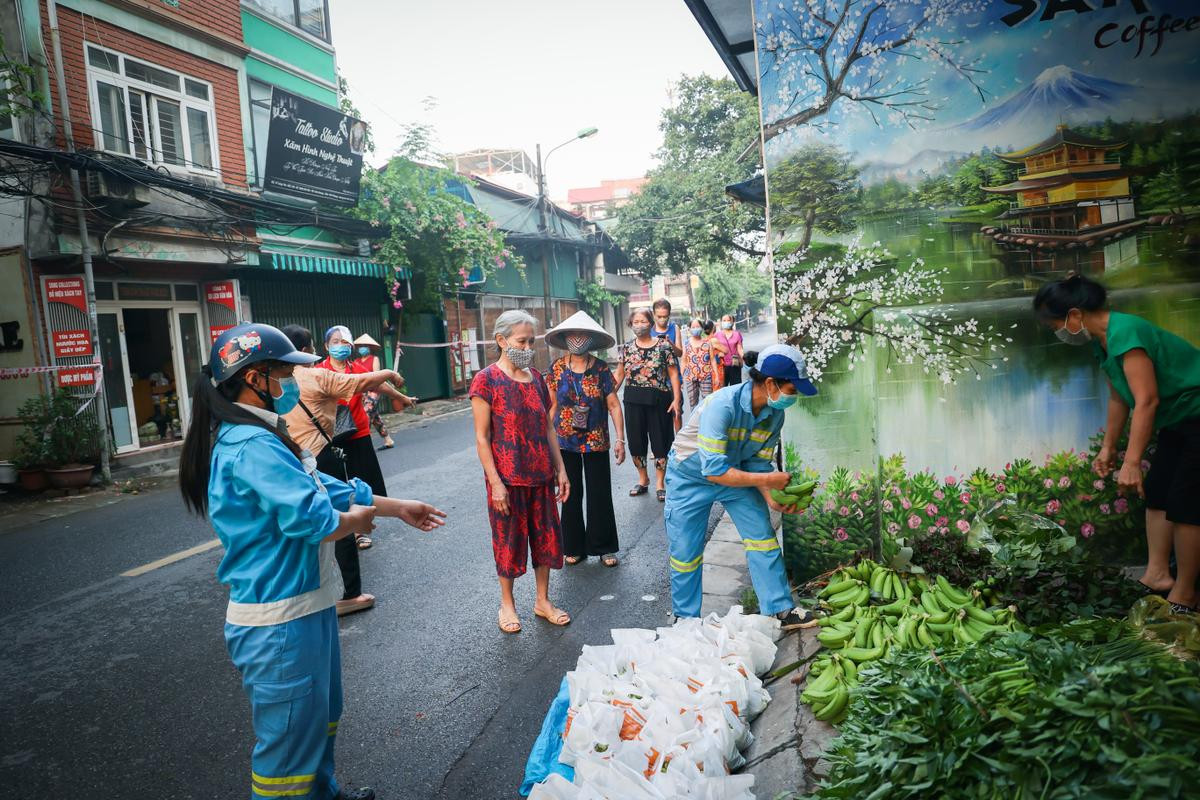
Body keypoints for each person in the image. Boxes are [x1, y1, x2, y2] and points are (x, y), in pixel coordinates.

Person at [178, 323, 445, 800]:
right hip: (278, 619)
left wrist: (397, 506)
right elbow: (316, 517)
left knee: (318, 723)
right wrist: (356, 520)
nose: (289, 385)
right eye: (283, 375)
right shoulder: (250, 445)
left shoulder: (266, 434)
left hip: (307, 606)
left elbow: (330, 489)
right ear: (254, 377)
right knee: (286, 755)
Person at [1033, 275, 1200, 613]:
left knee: (1186, 504)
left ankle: (1185, 593)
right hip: (1178, 420)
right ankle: (1157, 575)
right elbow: (1118, 397)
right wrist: (1110, 447)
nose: (1057, 333)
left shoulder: (1126, 333)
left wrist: (1132, 462)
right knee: (1158, 492)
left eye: (1056, 325)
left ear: (1075, 315)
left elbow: (1147, 400)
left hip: (1196, 412)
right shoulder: (1102, 341)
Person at [664, 345, 819, 628]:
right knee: (686, 553)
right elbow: (713, 470)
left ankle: (779, 610)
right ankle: (684, 620)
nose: (792, 397)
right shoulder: (721, 405)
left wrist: (772, 498)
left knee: (762, 537)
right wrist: (767, 480)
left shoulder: (775, 415)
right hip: (690, 477)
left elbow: (758, 464)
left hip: (736, 475)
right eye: (792, 390)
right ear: (770, 384)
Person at [280, 325, 404, 617]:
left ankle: (306, 590)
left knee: (302, 522)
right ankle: (350, 593)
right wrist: (388, 373)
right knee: (339, 518)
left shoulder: (273, 382)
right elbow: (360, 383)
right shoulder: (315, 375)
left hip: (290, 459)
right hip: (319, 455)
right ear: (310, 349)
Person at [470, 310, 572, 634]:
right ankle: (507, 604)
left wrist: (561, 469)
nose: (528, 347)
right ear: (501, 341)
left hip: (540, 476)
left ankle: (542, 601)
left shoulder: (537, 379)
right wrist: (496, 484)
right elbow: (482, 438)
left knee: (546, 540)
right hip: (507, 479)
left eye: (531, 341)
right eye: (522, 341)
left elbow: (548, 428)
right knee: (508, 543)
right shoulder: (486, 380)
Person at [545, 311, 625, 567]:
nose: (577, 339)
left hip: (596, 440)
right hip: (565, 442)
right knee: (569, 492)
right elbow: (552, 406)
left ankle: (604, 548)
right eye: (573, 334)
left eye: (583, 335)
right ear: (566, 337)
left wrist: (620, 439)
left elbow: (613, 405)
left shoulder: (601, 368)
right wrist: (544, 441)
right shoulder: (556, 368)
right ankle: (573, 546)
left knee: (600, 493)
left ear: (590, 339)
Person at [613, 309, 682, 503]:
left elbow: (673, 374)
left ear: (651, 324)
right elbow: (619, 375)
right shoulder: (625, 348)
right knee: (637, 443)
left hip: (659, 401)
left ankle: (660, 484)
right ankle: (643, 479)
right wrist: (607, 397)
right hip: (633, 401)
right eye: (635, 321)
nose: (639, 324)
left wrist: (676, 400)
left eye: (643, 321)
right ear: (630, 324)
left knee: (661, 442)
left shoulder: (663, 346)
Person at [352, 333, 403, 451]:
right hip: (362, 392)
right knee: (375, 417)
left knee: (366, 413)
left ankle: (364, 442)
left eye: (365, 346)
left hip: (373, 390)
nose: (362, 348)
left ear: (369, 347)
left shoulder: (374, 359)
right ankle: (388, 440)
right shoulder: (356, 361)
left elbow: (376, 376)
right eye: (361, 346)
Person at [682, 318, 724, 410]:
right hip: (690, 377)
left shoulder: (707, 342)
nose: (695, 329)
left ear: (702, 328)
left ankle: (707, 421)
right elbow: (684, 360)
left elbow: (712, 360)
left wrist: (716, 376)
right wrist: (681, 377)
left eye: (697, 326)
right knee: (693, 403)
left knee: (708, 402)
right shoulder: (686, 343)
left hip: (706, 376)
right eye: (693, 327)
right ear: (689, 329)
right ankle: (695, 423)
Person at [714, 314, 746, 386]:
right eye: (724, 320)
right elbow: (713, 350)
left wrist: (744, 359)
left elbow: (740, 349)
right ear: (721, 322)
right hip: (722, 366)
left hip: (734, 365)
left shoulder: (737, 334)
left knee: (735, 389)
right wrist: (718, 354)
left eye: (728, 320)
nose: (726, 322)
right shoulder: (717, 335)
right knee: (722, 389)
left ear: (732, 322)